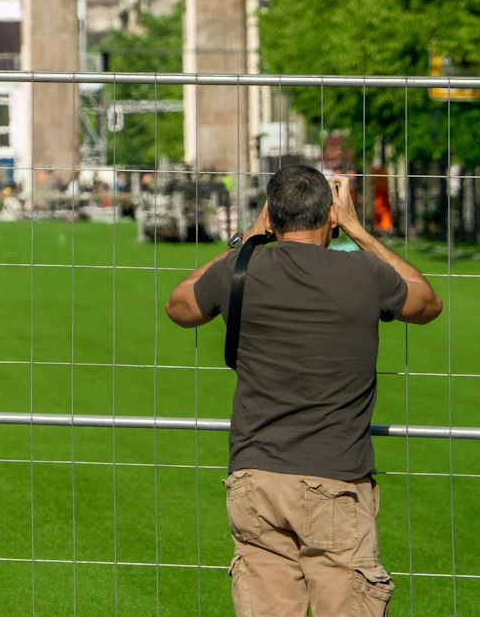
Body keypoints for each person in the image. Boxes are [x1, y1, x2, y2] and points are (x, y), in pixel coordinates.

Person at [165, 163, 443, 616]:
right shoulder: (365, 274)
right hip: (335, 477)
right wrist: (358, 230)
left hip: (257, 478)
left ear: (272, 217)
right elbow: (427, 302)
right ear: (329, 215)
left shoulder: (240, 271)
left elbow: (179, 304)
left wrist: (248, 237)